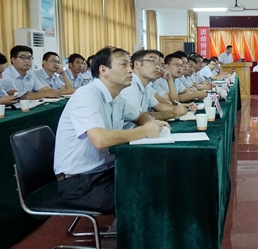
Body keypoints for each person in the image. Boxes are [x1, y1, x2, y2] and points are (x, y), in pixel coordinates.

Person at [54, 47, 169, 214]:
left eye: (130, 65)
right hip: (80, 183)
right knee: (147, 194)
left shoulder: (116, 97)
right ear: (103, 70)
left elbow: (140, 116)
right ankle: (133, 230)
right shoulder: (86, 95)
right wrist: (145, 131)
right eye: (124, 65)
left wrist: (148, 123)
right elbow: (100, 140)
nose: (130, 70)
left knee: (158, 178)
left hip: (104, 172)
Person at [120, 50, 188, 127]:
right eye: (152, 61)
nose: (158, 67)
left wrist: (184, 108)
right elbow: (137, 116)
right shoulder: (129, 85)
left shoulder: (146, 86)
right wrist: (172, 113)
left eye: (159, 63)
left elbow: (159, 106)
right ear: (137, 64)